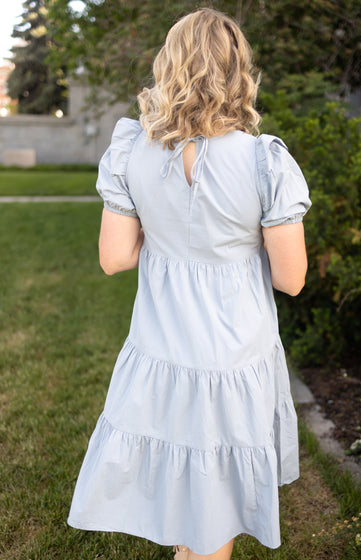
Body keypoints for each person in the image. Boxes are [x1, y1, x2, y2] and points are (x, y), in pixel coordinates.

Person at [67, 7, 311, 560]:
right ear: (237, 71)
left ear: (168, 66)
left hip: (160, 349)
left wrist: (172, 226)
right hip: (233, 356)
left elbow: (115, 258)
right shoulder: (263, 161)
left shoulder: (132, 151)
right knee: (212, 508)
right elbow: (291, 279)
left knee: (185, 496)